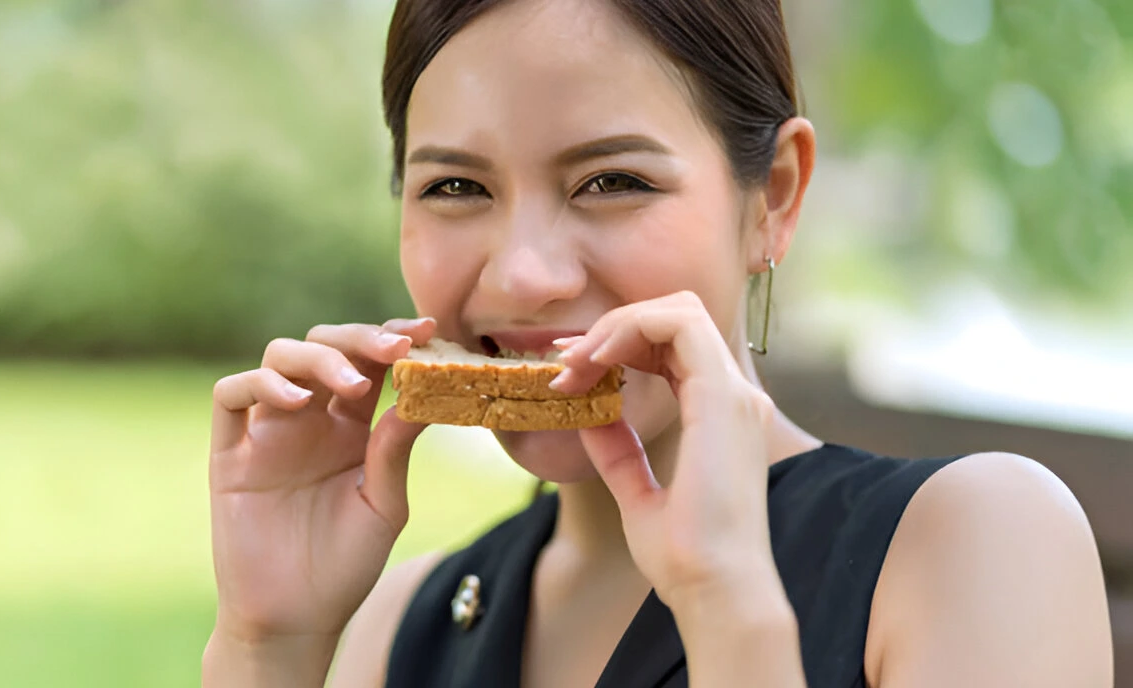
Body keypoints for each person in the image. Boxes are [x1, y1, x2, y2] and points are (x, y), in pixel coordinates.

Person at [201, 0, 1115, 686]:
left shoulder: (978, 542)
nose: (524, 275)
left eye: (611, 180)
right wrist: (266, 641)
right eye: (454, 188)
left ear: (776, 199)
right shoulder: (399, 625)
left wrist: (727, 606)